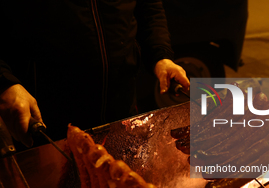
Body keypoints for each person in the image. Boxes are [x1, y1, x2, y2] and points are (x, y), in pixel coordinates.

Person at [0, 1, 190, 148]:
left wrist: (160, 56)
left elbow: (148, 8)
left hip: (122, 115)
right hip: (46, 125)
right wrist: (4, 83)